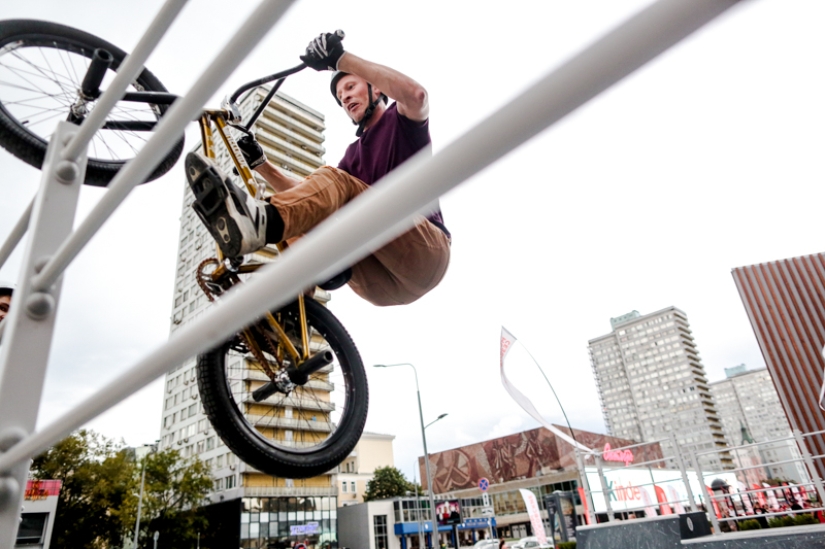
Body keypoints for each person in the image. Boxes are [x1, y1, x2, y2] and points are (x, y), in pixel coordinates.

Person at [186, 31, 450, 307]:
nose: (345, 99)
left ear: (377, 89)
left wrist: (341, 60)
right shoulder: (353, 156)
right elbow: (309, 198)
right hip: (381, 284)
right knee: (307, 214)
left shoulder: (401, 122)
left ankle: (262, 222)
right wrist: (261, 165)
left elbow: (417, 95)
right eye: (339, 96)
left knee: (332, 182)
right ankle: (292, 321)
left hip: (424, 255)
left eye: (350, 88)